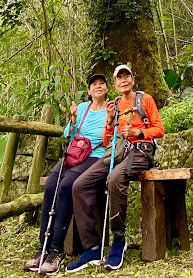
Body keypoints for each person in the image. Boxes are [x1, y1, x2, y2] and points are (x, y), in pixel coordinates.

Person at [67, 64, 164, 273]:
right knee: (80, 185)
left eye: (126, 76)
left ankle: (118, 238)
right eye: (119, 78)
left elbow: (159, 129)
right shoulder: (115, 105)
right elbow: (106, 139)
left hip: (140, 151)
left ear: (132, 79)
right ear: (115, 84)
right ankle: (92, 247)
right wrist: (110, 122)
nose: (123, 81)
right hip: (116, 151)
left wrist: (137, 132)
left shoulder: (144, 100)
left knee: (114, 178)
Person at [24, 74, 109, 275]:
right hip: (73, 155)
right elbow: (68, 135)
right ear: (88, 91)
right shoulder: (81, 109)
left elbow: (110, 136)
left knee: (66, 187)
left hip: (94, 156)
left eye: (101, 84)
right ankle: (42, 248)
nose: (98, 87)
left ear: (107, 89)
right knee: (51, 186)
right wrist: (72, 119)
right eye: (93, 85)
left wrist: (111, 120)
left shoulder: (111, 109)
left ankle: (56, 249)